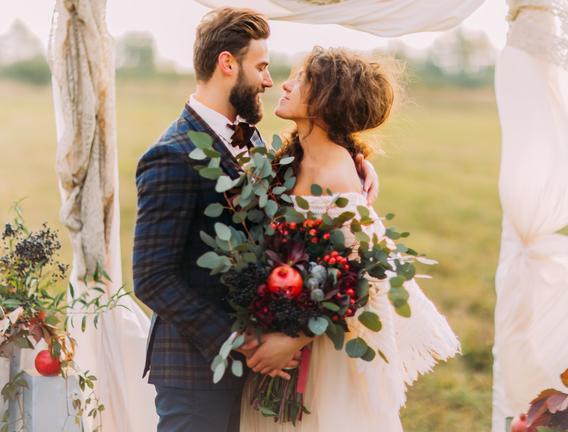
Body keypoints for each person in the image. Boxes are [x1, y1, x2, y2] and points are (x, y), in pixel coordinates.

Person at [132, 9, 380, 432]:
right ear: (228, 64)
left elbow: (300, 187)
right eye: (261, 67)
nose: (269, 80)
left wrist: (354, 165)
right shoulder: (170, 154)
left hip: (259, 366)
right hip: (198, 368)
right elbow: (152, 277)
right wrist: (245, 342)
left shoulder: (254, 136)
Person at [239, 46, 462, 431]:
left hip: (319, 351)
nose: (286, 84)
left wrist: (292, 341)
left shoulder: (337, 175)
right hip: (281, 333)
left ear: (327, 100)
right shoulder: (291, 161)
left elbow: (361, 277)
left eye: (301, 79)